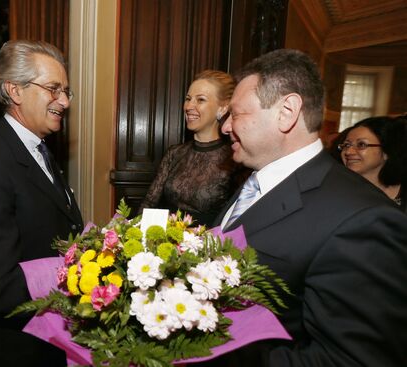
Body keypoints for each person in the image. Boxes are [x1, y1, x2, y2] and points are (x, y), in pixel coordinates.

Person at [209, 49, 407, 366]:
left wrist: (213, 355)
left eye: (236, 114)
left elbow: (353, 359)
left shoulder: (364, 218)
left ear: (287, 111)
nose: (225, 127)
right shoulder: (254, 179)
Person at [0, 40, 83, 367]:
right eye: (54, 89)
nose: (64, 101)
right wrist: (82, 277)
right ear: (15, 91)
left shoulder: (39, 151)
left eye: (66, 91)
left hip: (50, 340)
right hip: (17, 349)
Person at [140, 70, 245, 225]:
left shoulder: (235, 158)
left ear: (223, 108)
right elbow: (149, 204)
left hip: (208, 247)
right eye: (188, 99)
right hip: (163, 243)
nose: (189, 106)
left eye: (200, 100)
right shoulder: (175, 153)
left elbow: (235, 224)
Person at [339, 115, 407, 212]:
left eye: (361, 145)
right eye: (346, 145)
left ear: (386, 152)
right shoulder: (336, 191)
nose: (348, 152)